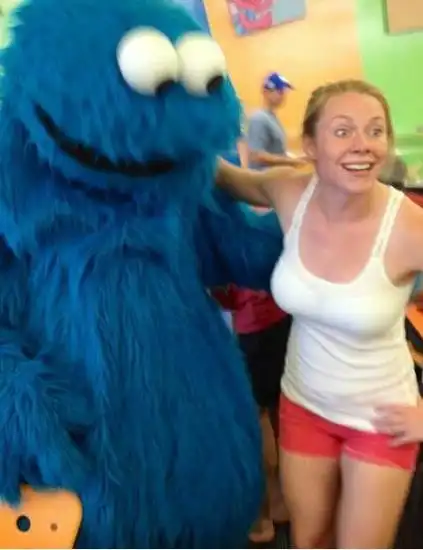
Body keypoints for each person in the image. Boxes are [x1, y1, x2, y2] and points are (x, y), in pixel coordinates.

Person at [216, 78, 423, 548]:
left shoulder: (409, 226)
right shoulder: (291, 192)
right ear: (309, 145)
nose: (363, 144)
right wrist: (158, 132)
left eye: (375, 130)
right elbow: (226, 178)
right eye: (343, 131)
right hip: (304, 406)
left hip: (381, 421)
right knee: (308, 539)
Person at [212, 284, 291, 544]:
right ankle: (282, 500)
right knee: (280, 409)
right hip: (285, 317)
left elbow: (223, 290)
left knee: (255, 417)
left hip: (253, 326)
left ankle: (261, 517)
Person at [247, 72, 306, 170]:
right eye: (279, 91)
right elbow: (256, 155)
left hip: (275, 177)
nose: (283, 95)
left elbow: (277, 152)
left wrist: (297, 158)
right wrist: (290, 161)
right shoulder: (259, 119)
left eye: (284, 91)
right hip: (263, 178)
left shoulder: (272, 119)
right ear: (266, 92)